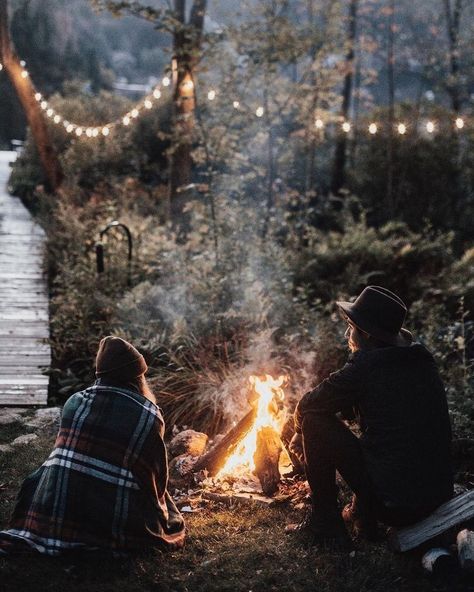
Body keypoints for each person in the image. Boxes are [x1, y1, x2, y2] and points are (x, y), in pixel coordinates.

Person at [290, 286, 453, 547]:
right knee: (386, 449)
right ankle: (362, 516)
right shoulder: (423, 359)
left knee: (314, 422)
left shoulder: (366, 366)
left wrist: (298, 432)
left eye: (351, 327)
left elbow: (309, 404)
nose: (347, 333)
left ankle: (327, 525)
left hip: (397, 507)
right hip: (437, 497)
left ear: (364, 333)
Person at [0, 336, 185, 556]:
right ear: (137, 376)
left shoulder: (74, 402)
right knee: (165, 510)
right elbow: (155, 479)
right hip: (109, 518)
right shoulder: (148, 415)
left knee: (38, 478)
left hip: (57, 508)